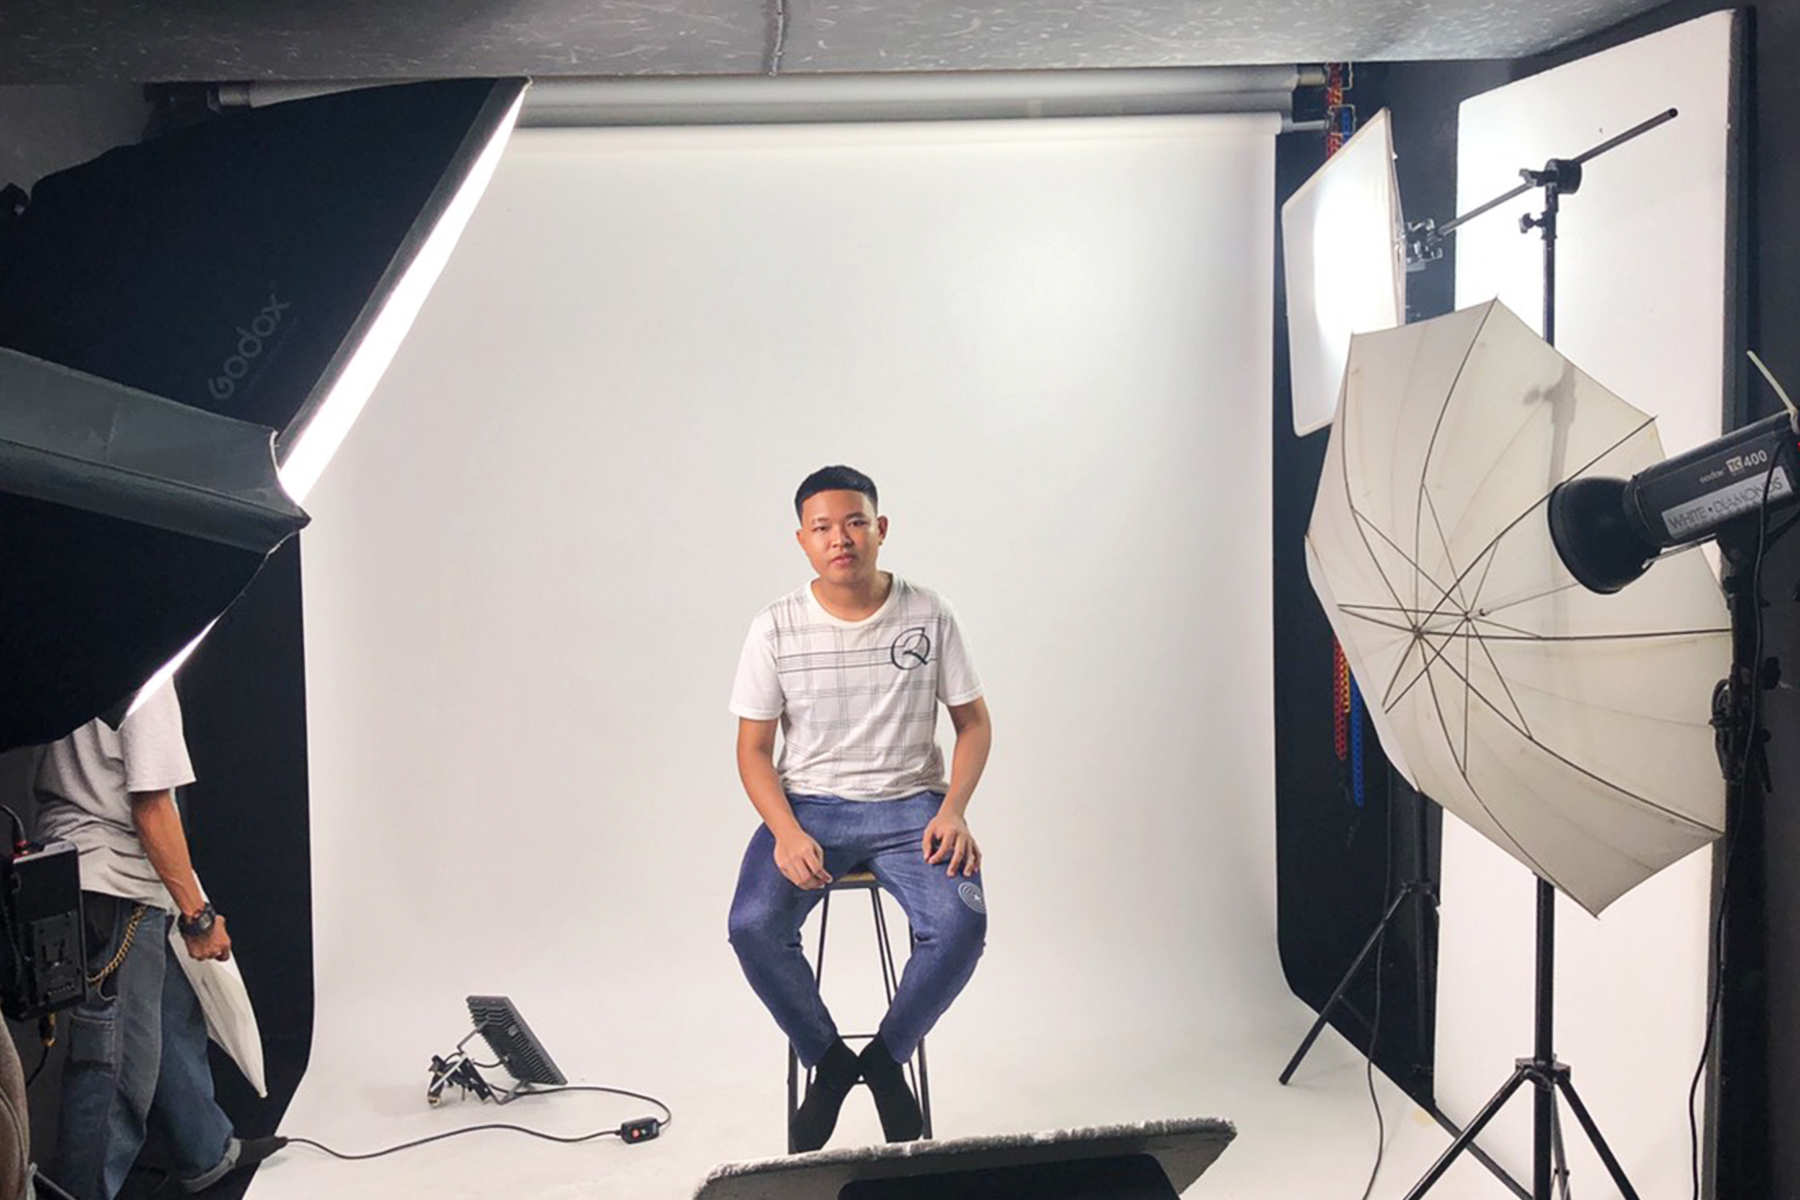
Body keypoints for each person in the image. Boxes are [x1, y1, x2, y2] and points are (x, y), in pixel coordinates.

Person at [727, 464, 993, 1153]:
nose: (839, 538)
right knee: (752, 925)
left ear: (880, 529)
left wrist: (954, 810)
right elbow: (753, 750)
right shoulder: (775, 627)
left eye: (854, 523)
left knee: (961, 926)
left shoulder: (929, 613)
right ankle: (829, 1060)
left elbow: (972, 723)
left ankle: (884, 1058)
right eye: (822, 528)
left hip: (913, 807)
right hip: (811, 807)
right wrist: (785, 830)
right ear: (802, 540)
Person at [33, 680, 284, 1199]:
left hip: (76, 865)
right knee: (114, 1065)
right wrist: (198, 917)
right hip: (114, 882)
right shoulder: (148, 675)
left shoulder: (83, 658)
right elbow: (151, 807)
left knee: (170, 1017)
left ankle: (205, 1149)